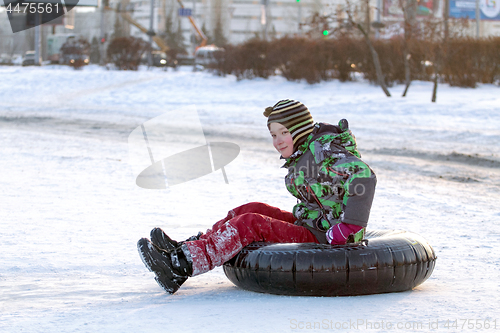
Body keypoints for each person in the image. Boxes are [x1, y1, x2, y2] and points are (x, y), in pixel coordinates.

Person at [137, 99, 377, 294]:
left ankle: (180, 266)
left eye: (284, 132)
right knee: (250, 209)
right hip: (311, 223)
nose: (278, 140)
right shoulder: (305, 153)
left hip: (328, 237)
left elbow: (364, 175)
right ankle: (187, 248)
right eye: (273, 135)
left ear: (300, 130)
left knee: (251, 223)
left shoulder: (322, 152)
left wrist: (350, 226)